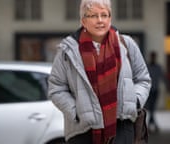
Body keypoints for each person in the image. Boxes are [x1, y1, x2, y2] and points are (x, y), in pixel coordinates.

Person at [47, 0, 151, 143]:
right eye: (93, 16)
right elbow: (56, 88)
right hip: (83, 129)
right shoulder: (67, 51)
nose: (100, 20)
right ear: (83, 20)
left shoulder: (127, 44)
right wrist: (76, 112)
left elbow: (143, 79)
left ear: (110, 18)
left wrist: (136, 101)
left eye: (104, 15)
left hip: (122, 127)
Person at [145, 51, 168, 134]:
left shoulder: (158, 67)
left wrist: (167, 86)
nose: (153, 58)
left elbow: (162, 77)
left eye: (154, 56)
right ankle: (153, 125)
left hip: (155, 90)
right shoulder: (146, 67)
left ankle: (150, 125)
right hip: (148, 90)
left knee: (152, 108)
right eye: (152, 56)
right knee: (150, 108)